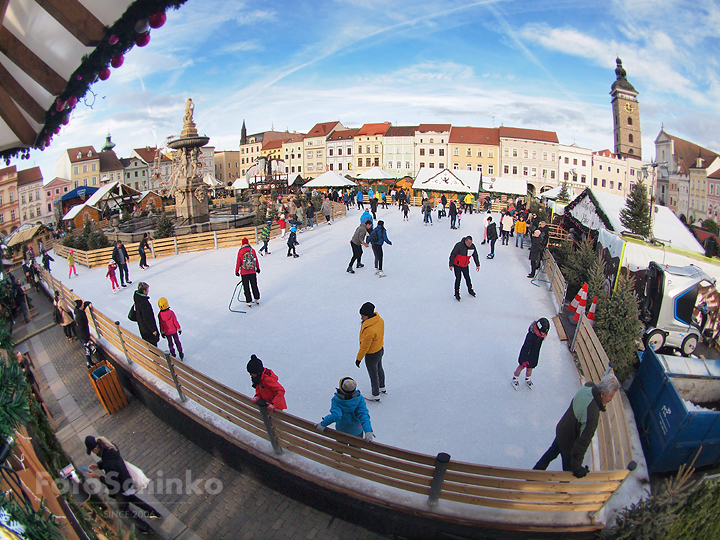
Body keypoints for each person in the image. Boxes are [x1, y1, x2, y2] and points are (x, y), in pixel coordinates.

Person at [533, 374, 620, 476]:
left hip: (562, 430)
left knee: (550, 454)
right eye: (611, 396)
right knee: (568, 473)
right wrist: (577, 468)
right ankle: (563, 490)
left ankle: (534, 474)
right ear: (602, 394)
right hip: (569, 444)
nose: (611, 399)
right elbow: (583, 443)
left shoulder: (588, 386)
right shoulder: (592, 415)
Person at [84, 435, 161, 534]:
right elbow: (109, 461)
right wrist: (98, 465)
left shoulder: (107, 461)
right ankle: (154, 513)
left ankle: (146, 528)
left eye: (92, 451)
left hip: (121, 488)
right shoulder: (110, 449)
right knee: (133, 499)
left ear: (95, 449)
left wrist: (97, 476)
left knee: (124, 509)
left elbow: (111, 481)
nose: (93, 453)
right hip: (126, 481)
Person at [316, 377, 375, 442]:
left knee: (339, 448)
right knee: (355, 450)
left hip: (341, 431)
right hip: (356, 431)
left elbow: (336, 415)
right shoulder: (359, 399)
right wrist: (368, 430)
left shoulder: (336, 400)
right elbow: (363, 415)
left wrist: (323, 424)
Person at [355, 302, 385, 402]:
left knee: (373, 374)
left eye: (363, 316)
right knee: (379, 368)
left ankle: (375, 394)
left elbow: (364, 347)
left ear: (368, 315)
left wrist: (358, 359)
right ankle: (382, 386)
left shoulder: (369, 330)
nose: (361, 318)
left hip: (372, 354)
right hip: (380, 349)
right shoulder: (379, 320)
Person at [512, 318, 549, 390]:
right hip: (526, 354)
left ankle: (528, 379)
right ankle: (515, 378)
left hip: (533, 355)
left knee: (530, 368)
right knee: (521, 366)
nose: (544, 335)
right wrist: (524, 358)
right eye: (543, 333)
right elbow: (526, 347)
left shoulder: (541, 337)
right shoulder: (531, 336)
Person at [449, 236, 480, 301]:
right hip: (457, 265)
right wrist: (451, 264)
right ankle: (456, 292)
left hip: (465, 265)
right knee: (458, 278)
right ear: (465, 241)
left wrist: (477, 264)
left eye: (471, 243)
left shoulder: (472, 247)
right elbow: (453, 254)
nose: (470, 244)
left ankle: (470, 289)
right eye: (469, 243)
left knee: (467, 278)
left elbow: (475, 255)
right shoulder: (459, 246)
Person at [235, 238, 261, 306]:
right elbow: (256, 260)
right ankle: (257, 298)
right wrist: (258, 268)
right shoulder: (252, 250)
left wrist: (236, 271)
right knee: (254, 285)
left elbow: (238, 262)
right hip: (252, 271)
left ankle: (248, 301)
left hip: (244, 272)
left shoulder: (240, 251)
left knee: (246, 287)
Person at [73, 299, 96, 368]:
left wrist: (88, 303)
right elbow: (82, 328)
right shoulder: (79, 316)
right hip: (83, 335)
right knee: (87, 349)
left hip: (83, 334)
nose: (83, 305)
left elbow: (85, 303)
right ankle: (89, 363)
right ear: (80, 306)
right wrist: (87, 338)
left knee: (87, 348)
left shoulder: (79, 311)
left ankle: (89, 362)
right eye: (82, 304)